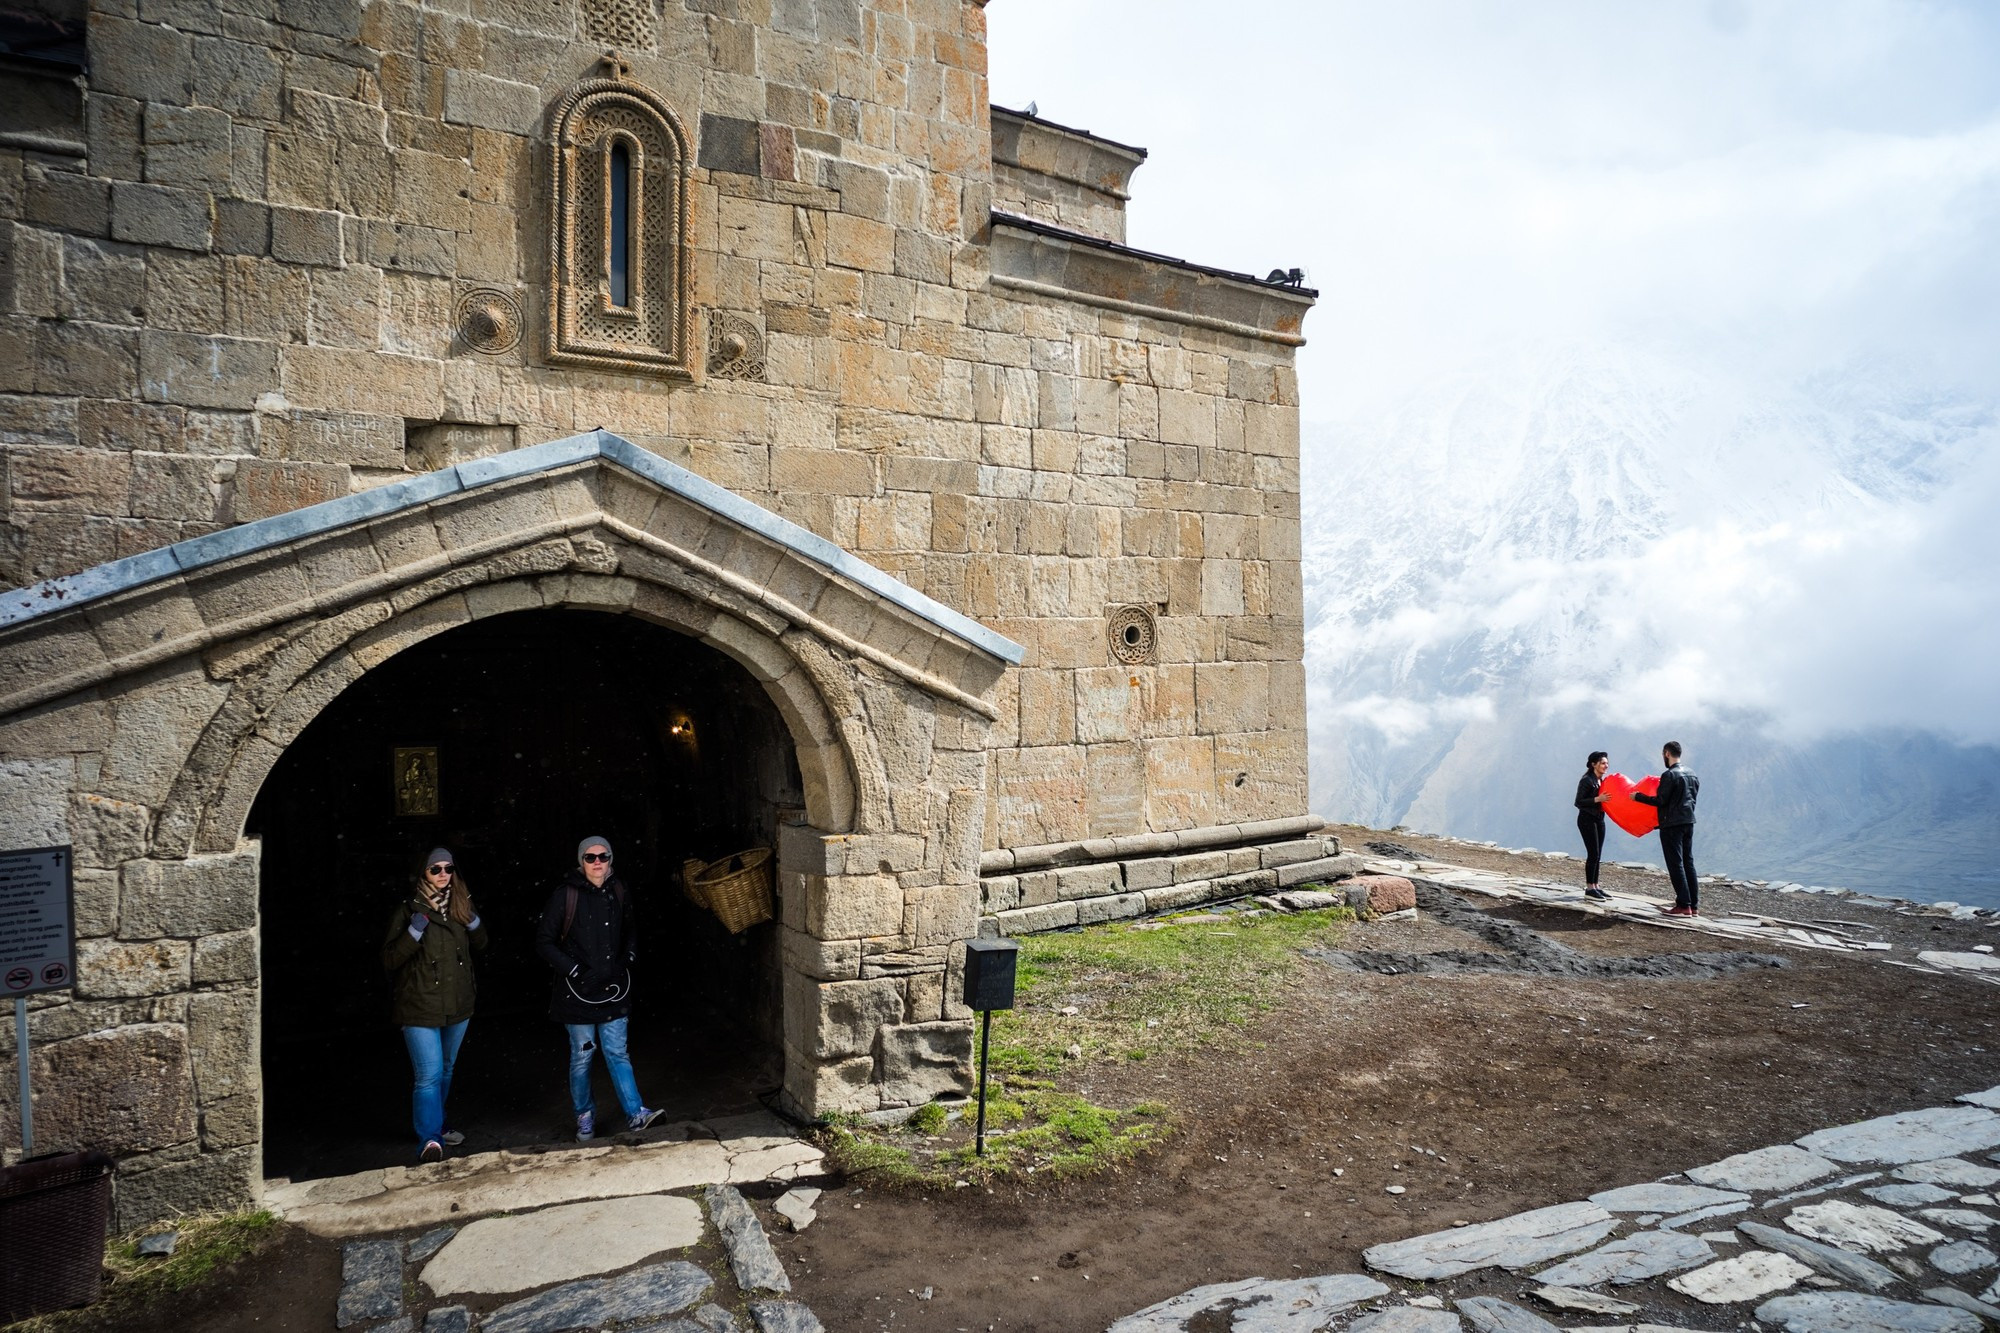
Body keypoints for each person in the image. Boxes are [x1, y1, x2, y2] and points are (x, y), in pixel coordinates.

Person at [535, 835, 664, 1141]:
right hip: (576, 994)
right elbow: (544, 942)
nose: (596, 863)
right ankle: (584, 1117)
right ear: (581, 862)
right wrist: (575, 970)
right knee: (582, 1058)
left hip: (613, 989)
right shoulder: (565, 895)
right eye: (590, 858)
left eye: (602, 857)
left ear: (610, 860)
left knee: (618, 1053)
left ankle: (636, 1114)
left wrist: (628, 957)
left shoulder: (618, 890)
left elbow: (631, 928)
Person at [380, 847, 488, 1162]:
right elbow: (389, 960)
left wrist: (473, 922)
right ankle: (430, 1139)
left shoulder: (461, 904)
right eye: (435, 869)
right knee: (428, 1073)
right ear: (423, 873)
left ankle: (438, 1126)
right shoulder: (407, 910)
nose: (443, 874)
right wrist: (413, 932)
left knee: (446, 1069)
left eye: (448, 868)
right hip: (419, 1006)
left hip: (457, 1005)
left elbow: (483, 944)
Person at [1633, 740, 1700, 916]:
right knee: (1688, 863)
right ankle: (1694, 905)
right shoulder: (1692, 774)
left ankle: (1682, 905)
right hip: (1688, 822)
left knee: (1675, 864)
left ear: (1667, 754)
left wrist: (1638, 797)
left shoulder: (1669, 775)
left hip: (1671, 825)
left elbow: (1660, 801)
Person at [1574, 751, 1612, 900]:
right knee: (1593, 853)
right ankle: (1590, 888)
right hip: (1587, 819)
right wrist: (1598, 799)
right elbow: (1578, 802)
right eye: (1603, 763)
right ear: (1593, 764)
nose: (1606, 765)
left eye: (1606, 763)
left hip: (1599, 819)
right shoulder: (1587, 780)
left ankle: (1596, 885)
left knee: (1598, 854)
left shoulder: (1601, 780)